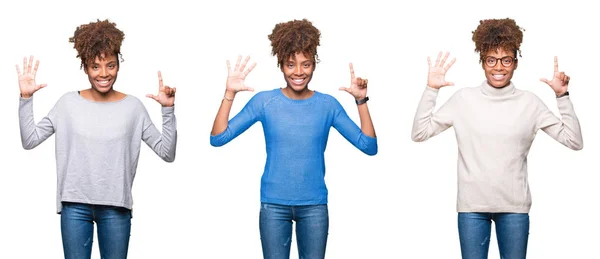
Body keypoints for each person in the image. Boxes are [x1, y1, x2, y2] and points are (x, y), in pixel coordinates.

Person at [411, 18, 583, 259]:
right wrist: (432, 90)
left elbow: (574, 141)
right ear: (483, 62)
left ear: (515, 63)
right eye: (491, 60)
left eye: (506, 60)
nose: (499, 67)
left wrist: (562, 96)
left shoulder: (529, 103)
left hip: (514, 209)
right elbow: (420, 133)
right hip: (472, 209)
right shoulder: (463, 100)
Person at [210, 18, 377, 259]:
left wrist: (361, 101)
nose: (298, 72)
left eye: (306, 64)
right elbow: (218, 138)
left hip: (314, 206)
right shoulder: (265, 102)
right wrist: (229, 94)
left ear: (314, 65)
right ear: (281, 65)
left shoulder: (327, 105)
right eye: (290, 65)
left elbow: (368, 146)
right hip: (273, 205)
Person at [17, 19, 177, 259]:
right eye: (95, 66)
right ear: (85, 67)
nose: (104, 74)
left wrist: (168, 111)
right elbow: (29, 140)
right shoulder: (67, 104)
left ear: (118, 66)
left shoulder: (133, 107)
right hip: (74, 205)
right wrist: (25, 98)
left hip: (116, 206)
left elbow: (167, 152)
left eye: (110, 66)